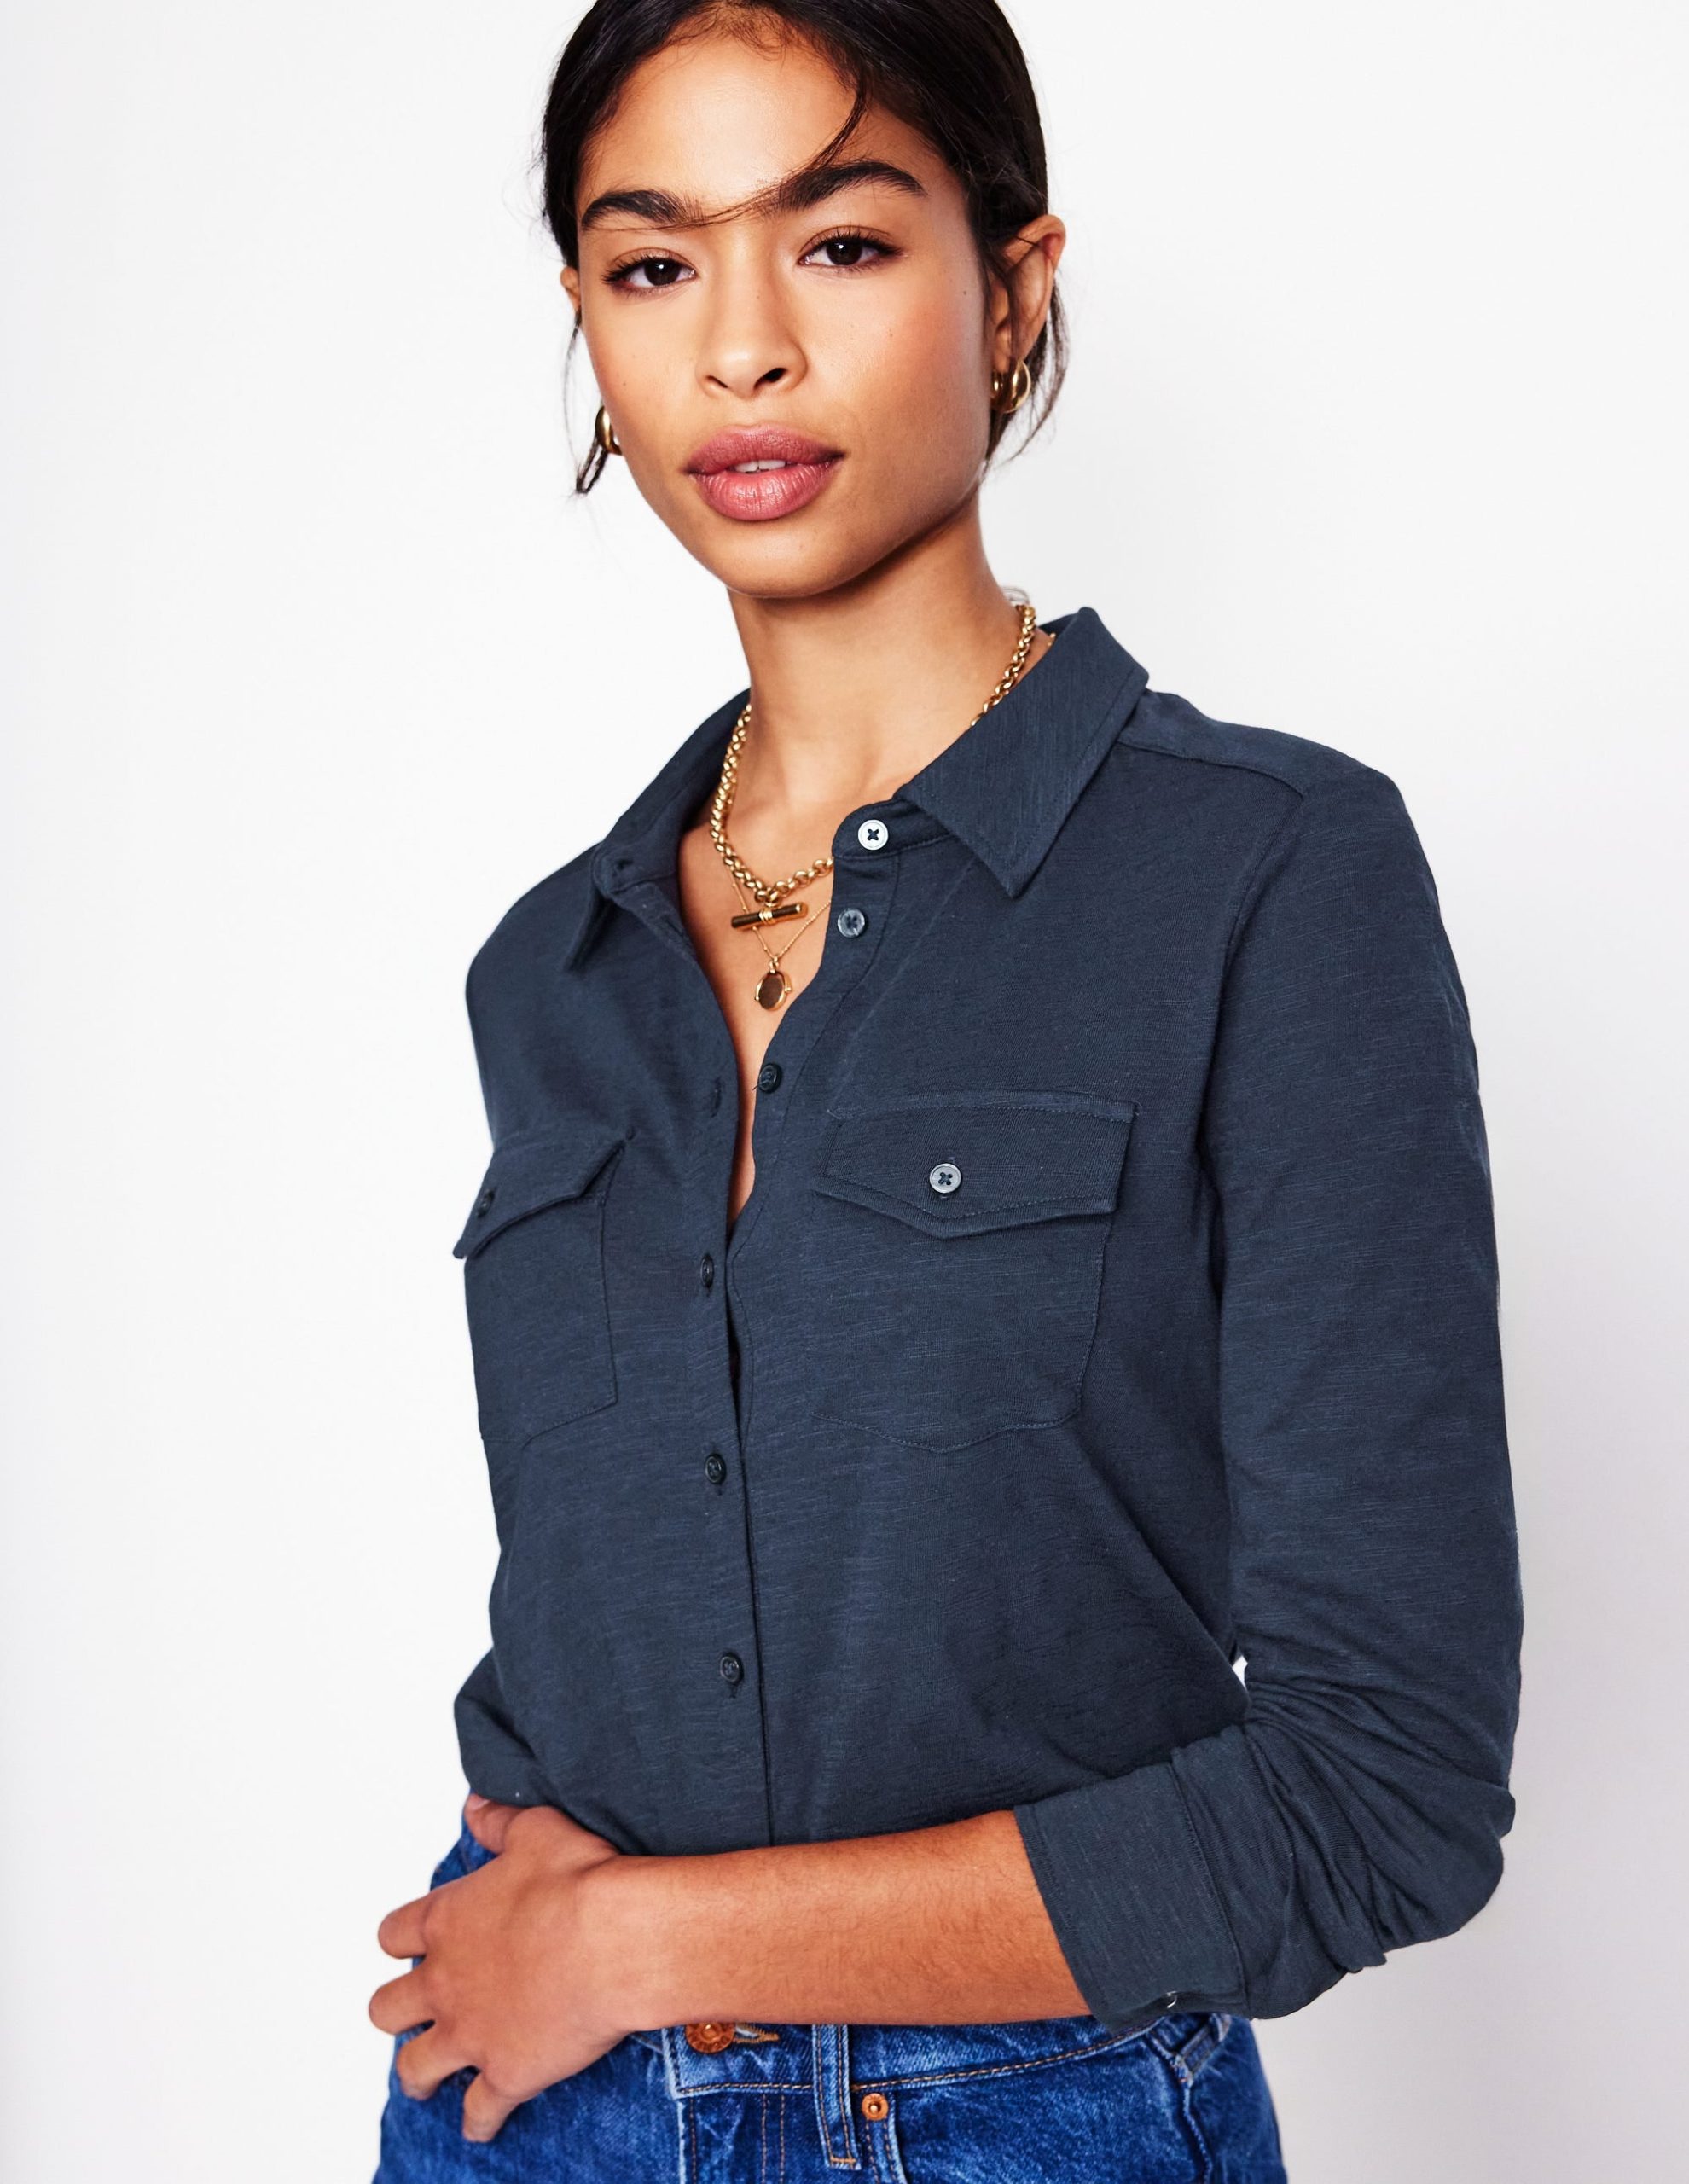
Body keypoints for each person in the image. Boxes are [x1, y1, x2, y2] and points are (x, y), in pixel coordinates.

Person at [368, 3, 1524, 2178]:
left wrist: (642, 1942)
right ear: (589, 325)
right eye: (652, 262)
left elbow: (1387, 1791)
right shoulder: (553, 965)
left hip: (1025, 2119)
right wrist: (567, 1962)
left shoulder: (1273, 873)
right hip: (519, 2107)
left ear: (1012, 287)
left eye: (840, 242)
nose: (741, 350)